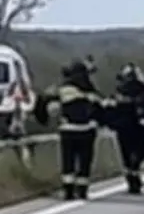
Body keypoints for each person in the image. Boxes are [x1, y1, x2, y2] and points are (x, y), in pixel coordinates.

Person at [33, 58, 108, 200]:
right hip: (87, 131)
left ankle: (68, 191)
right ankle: (82, 190)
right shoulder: (91, 91)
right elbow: (102, 110)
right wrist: (101, 122)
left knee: (68, 160)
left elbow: (42, 102)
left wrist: (43, 120)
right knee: (85, 160)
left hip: (68, 130)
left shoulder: (61, 89)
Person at [109, 63, 144, 194]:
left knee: (126, 156)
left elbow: (112, 110)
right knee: (139, 154)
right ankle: (137, 179)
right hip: (139, 129)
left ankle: (132, 182)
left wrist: (112, 124)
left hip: (123, 129)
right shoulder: (142, 91)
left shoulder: (119, 91)